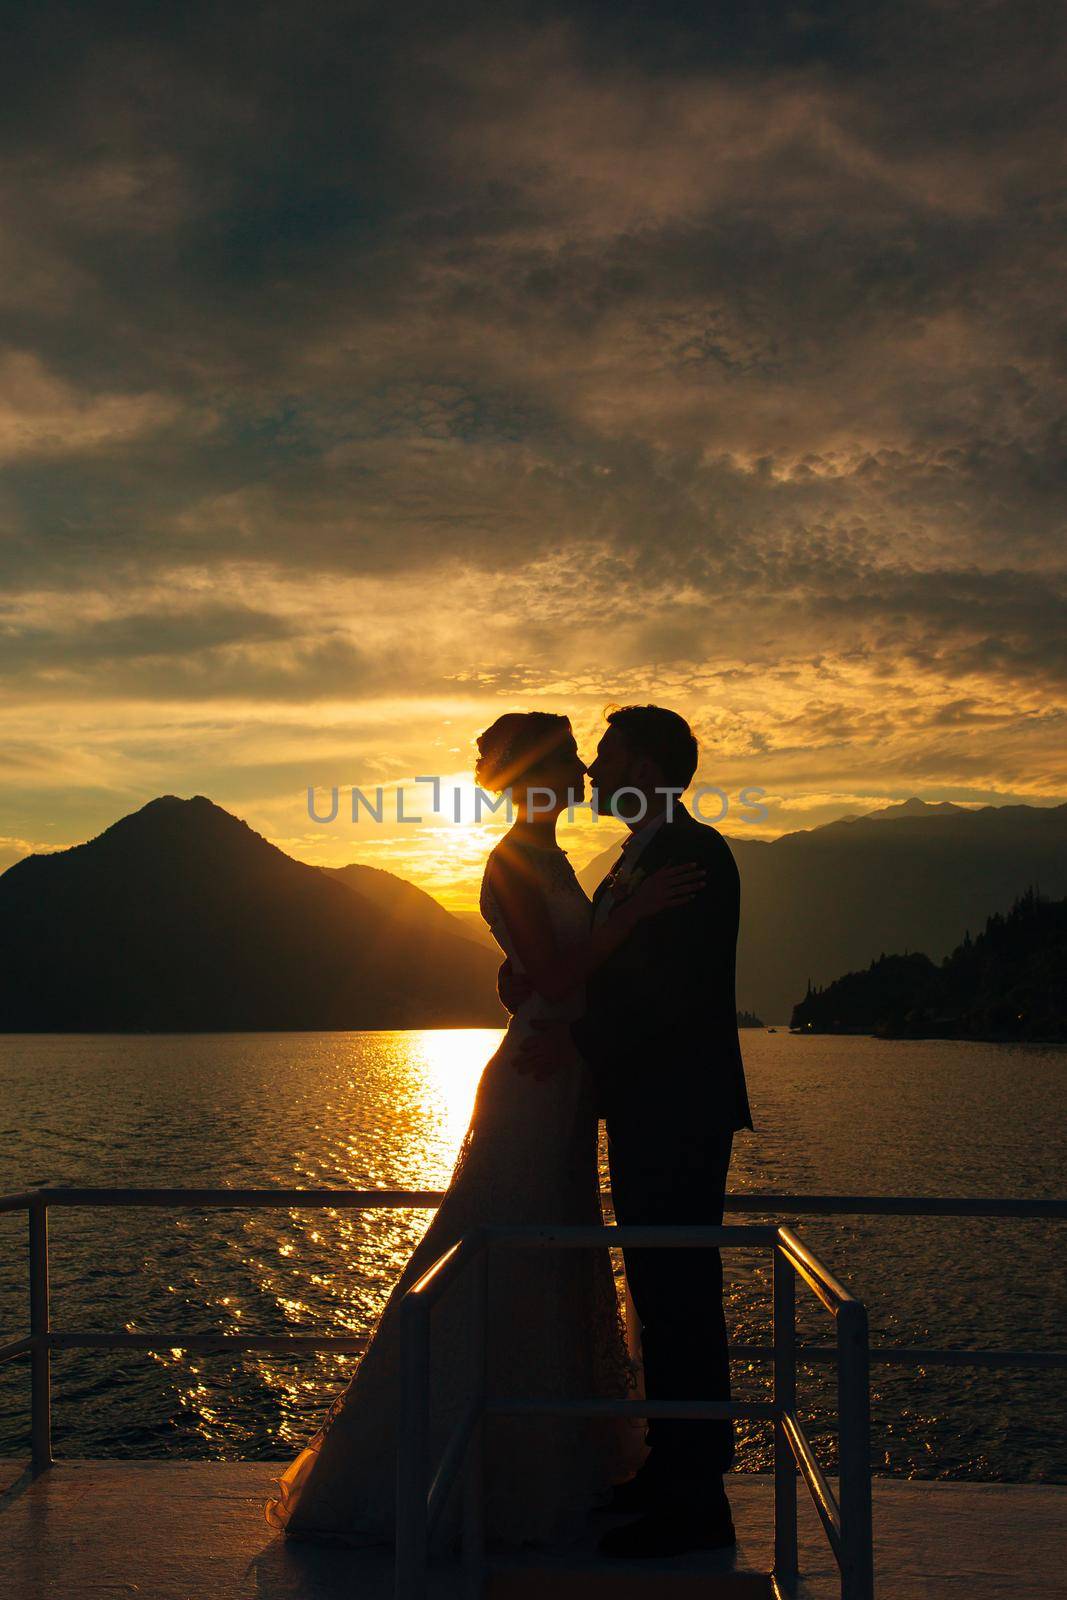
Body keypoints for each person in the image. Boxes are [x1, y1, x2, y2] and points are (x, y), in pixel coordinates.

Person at [265, 710, 705, 1551]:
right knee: (500, 1241)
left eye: (584, 760)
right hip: (534, 1083)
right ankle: (451, 1469)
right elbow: (555, 970)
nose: (580, 774)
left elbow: (537, 975)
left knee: (556, 1252)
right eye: (570, 760)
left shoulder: (549, 859)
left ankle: (551, 1451)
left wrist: (547, 985)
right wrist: (632, 914)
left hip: (562, 1070)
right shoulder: (511, 862)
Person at [507, 704, 754, 1559]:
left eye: (606, 755)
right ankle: (668, 1467)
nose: (595, 772)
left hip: (677, 1108)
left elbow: (666, 995)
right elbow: (599, 967)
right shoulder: (636, 860)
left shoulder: (691, 857)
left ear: (645, 767)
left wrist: (568, 1037)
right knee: (659, 1290)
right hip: (648, 1105)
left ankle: (695, 1500)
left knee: (680, 1294)